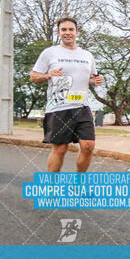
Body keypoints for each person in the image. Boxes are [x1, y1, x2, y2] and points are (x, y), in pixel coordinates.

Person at [30, 17, 104, 172]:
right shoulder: (50, 53)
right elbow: (33, 76)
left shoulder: (87, 55)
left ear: (77, 32)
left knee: (88, 146)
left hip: (82, 106)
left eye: (71, 29)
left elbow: (92, 77)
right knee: (60, 149)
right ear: (58, 33)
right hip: (58, 107)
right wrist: (48, 75)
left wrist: (96, 80)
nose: (68, 33)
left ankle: (79, 183)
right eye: (64, 30)